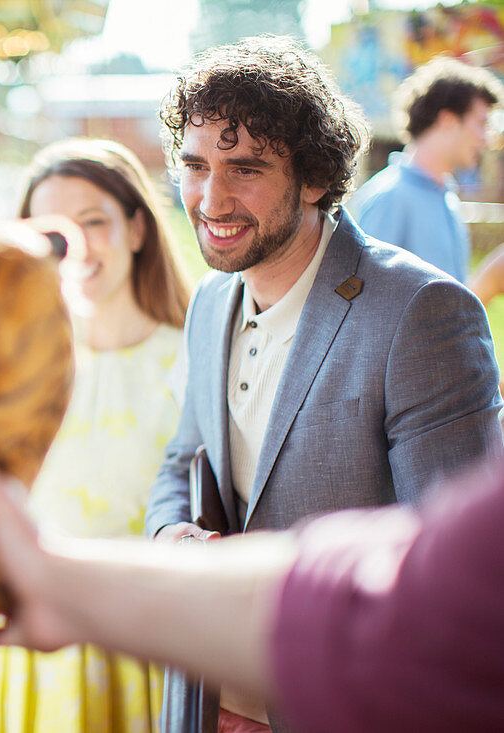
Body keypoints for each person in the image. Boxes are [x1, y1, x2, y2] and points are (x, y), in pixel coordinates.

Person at [144, 36, 504, 731]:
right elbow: (180, 460)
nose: (209, 197)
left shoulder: (420, 312)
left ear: (313, 177)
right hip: (206, 700)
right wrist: (173, 540)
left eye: (243, 168)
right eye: (194, 166)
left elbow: (448, 576)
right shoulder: (210, 302)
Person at [0, 448, 504, 733]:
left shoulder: (420, 306)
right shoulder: (211, 308)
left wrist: (52, 578)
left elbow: (400, 603)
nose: (209, 209)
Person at [0, 138, 190, 733]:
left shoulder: (194, 359)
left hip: (153, 649)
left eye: (95, 221)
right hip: (39, 659)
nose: (80, 247)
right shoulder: (8, 368)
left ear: (137, 228)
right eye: (53, 232)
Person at [349, 56, 503, 281]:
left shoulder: (446, 198)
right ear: (448, 120)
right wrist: (490, 279)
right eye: (481, 124)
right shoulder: (390, 197)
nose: (485, 139)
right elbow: (365, 303)